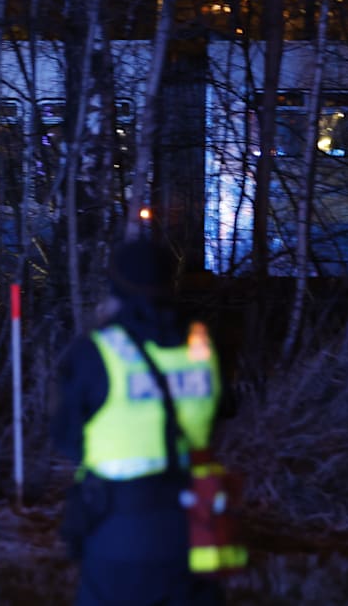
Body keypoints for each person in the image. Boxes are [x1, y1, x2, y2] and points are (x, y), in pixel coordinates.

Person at [54, 238, 235, 606]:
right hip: (194, 529)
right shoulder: (201, 343)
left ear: (115, 287)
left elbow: (66, 438)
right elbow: (222, 410)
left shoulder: (98, 351)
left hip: (117, 533)